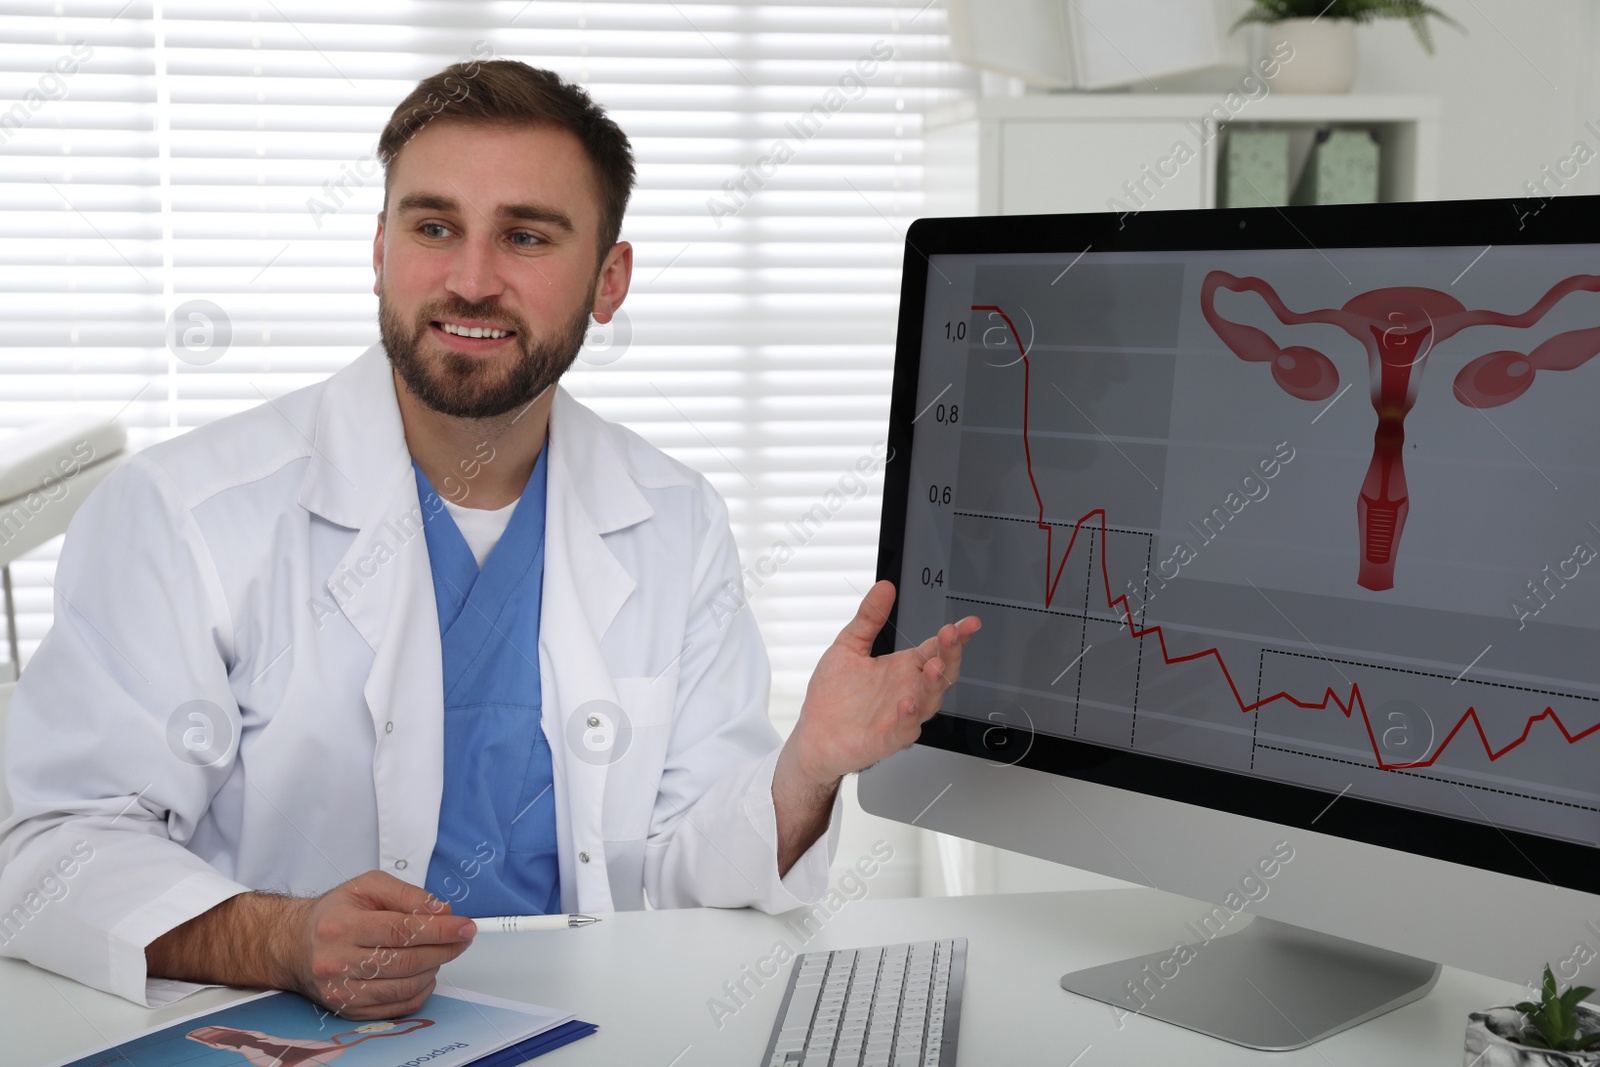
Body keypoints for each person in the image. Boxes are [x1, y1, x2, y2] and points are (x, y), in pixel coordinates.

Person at [0, 59, 979, 1021]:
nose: (470, 281)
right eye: (434, 227)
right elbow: (45, 843)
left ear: (609, 279)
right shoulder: (189, 514)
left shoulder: (672, 518)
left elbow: (688, 862)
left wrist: (808, 764)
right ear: (378, 248)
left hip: (597, 1025)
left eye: (525, 236)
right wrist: (279, 937)